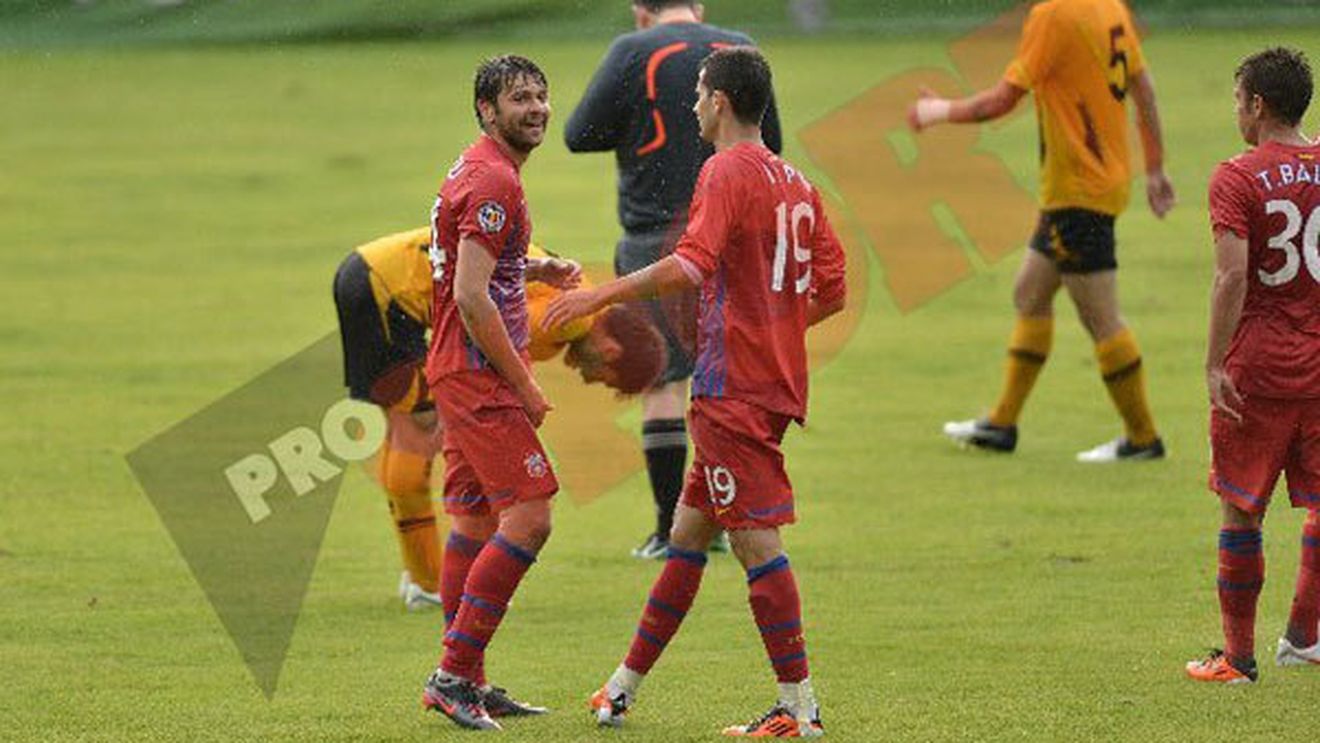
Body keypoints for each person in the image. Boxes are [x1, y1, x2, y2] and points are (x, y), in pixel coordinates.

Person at [547, 46, 846, 737]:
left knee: (755, 542)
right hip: (768, 382)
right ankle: (620, 690)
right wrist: (774, 330)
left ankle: (799, 708)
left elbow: (690, 264)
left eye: (699, 94)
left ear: (720, 102)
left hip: (730, 387)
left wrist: (600, 295)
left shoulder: (724, 170)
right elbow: (832, 290)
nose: (692, 106)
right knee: (686, 535)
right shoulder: (796, 180)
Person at [332, 229, 667, 613]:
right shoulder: (569, 321)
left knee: (408, 428)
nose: (589, 380)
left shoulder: (579, 302)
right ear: (612, 350)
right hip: (388, 291)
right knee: (419, 430)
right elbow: (487, 325)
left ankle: (421, 575)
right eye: (606, 379)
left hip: (376, 273)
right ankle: (425, 583)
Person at [908, 0, 1177, 461]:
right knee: (1030, 293)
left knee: (1102, 318)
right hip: (1092, 186)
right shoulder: (1109, 7)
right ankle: (1002, 424)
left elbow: (1001, 100)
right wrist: (1154, 168)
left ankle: (1142, 438)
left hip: (1078, 192)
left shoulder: (1052, 15)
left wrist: (937, 111)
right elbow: (1144, 88)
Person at [565, 0, 782, 558]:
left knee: (663, 384)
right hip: (735, 236)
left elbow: (579, 133)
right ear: (698, 6)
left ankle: (670, 531)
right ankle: (729, 522)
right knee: (728, 386)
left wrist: (642, 122)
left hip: (654, 235)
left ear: (640, 10)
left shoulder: (632, 50)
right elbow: (770, 140)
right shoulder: (738, 46)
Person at [417, 54, 567, 731]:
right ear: (487, 109)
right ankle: (453, 674)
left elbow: (465, 258)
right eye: (518, 99)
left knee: (476, 522)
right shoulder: (495, 180)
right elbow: (471, 295)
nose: (535, 109)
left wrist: (538, 267)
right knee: (530, 516)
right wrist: (526, 383)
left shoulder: (477, 168)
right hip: (479, 372)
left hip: (454, 366)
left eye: (540, 96)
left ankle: (469, 680)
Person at [1184, 47, 1320, 684]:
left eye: (1238, 100)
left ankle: (1238, 659)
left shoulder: (1236, 177)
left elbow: (1231, 276)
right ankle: (1305, 637)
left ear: (1258, 105)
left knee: (1242, 507)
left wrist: (1214, 363)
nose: (1236, 111)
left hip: (1258, 370)